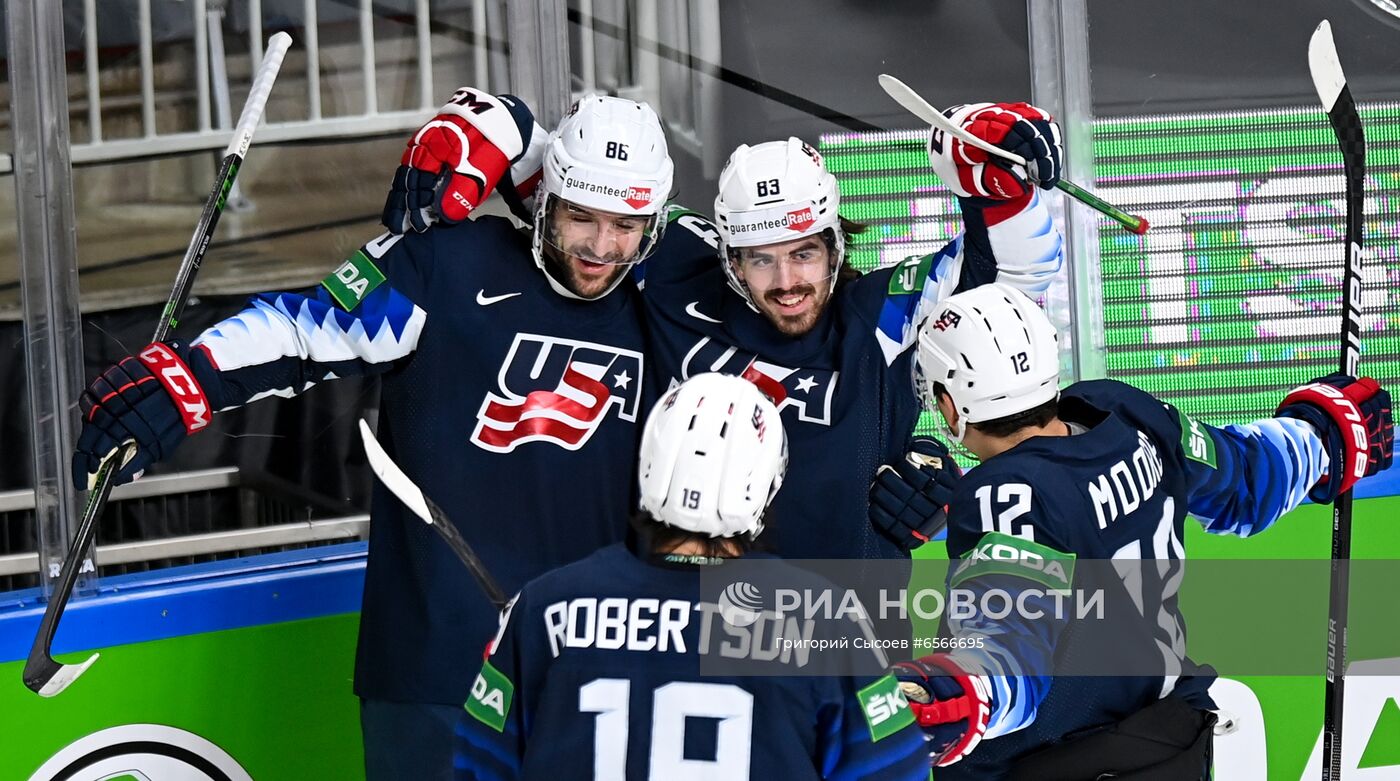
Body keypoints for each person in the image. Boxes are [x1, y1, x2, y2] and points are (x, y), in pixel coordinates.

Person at [71, 90, 675, 781]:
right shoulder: (445, 267)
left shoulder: (663, 300)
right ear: (547, 200)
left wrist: (511, 127)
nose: (601, 246)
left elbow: (762, 252)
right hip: (434, 675)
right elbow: (302, 330)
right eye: (581, 216)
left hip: (593, 672)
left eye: (625, 224)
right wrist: (186, 383)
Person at [385, 98, 1068, 621]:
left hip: (845, 640)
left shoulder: (882, 317)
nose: (787, 281)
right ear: (727, 254)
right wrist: (489, 125)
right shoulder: (677, 271)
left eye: (805, 252)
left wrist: (989, 158)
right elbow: (574, 184)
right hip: (695, 632)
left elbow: (1015, 278)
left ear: (835, 243)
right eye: (760, 260)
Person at [889, 283, 1394, 779]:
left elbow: (1014, 638)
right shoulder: (1127, 415)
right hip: (1169, 739)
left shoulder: (1005, 494)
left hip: (1061, 759)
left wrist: (951, 691)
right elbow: (1243, 478)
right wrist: (1323, 435)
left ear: (949, 405)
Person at [454, 372, 931, 781]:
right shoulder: (822, 618)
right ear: (766, 480)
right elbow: (896, 769)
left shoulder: (546, 606)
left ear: (649, 464)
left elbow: (479, 764)